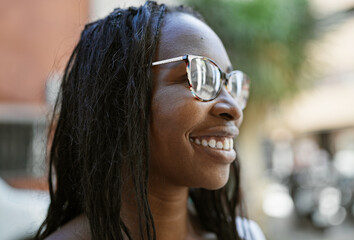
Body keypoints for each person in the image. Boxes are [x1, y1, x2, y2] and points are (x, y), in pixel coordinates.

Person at [34, 1, 264, 240]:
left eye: (231, 85)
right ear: (119, 98)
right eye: (200, 76)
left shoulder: (244, 235)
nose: (234, 108)